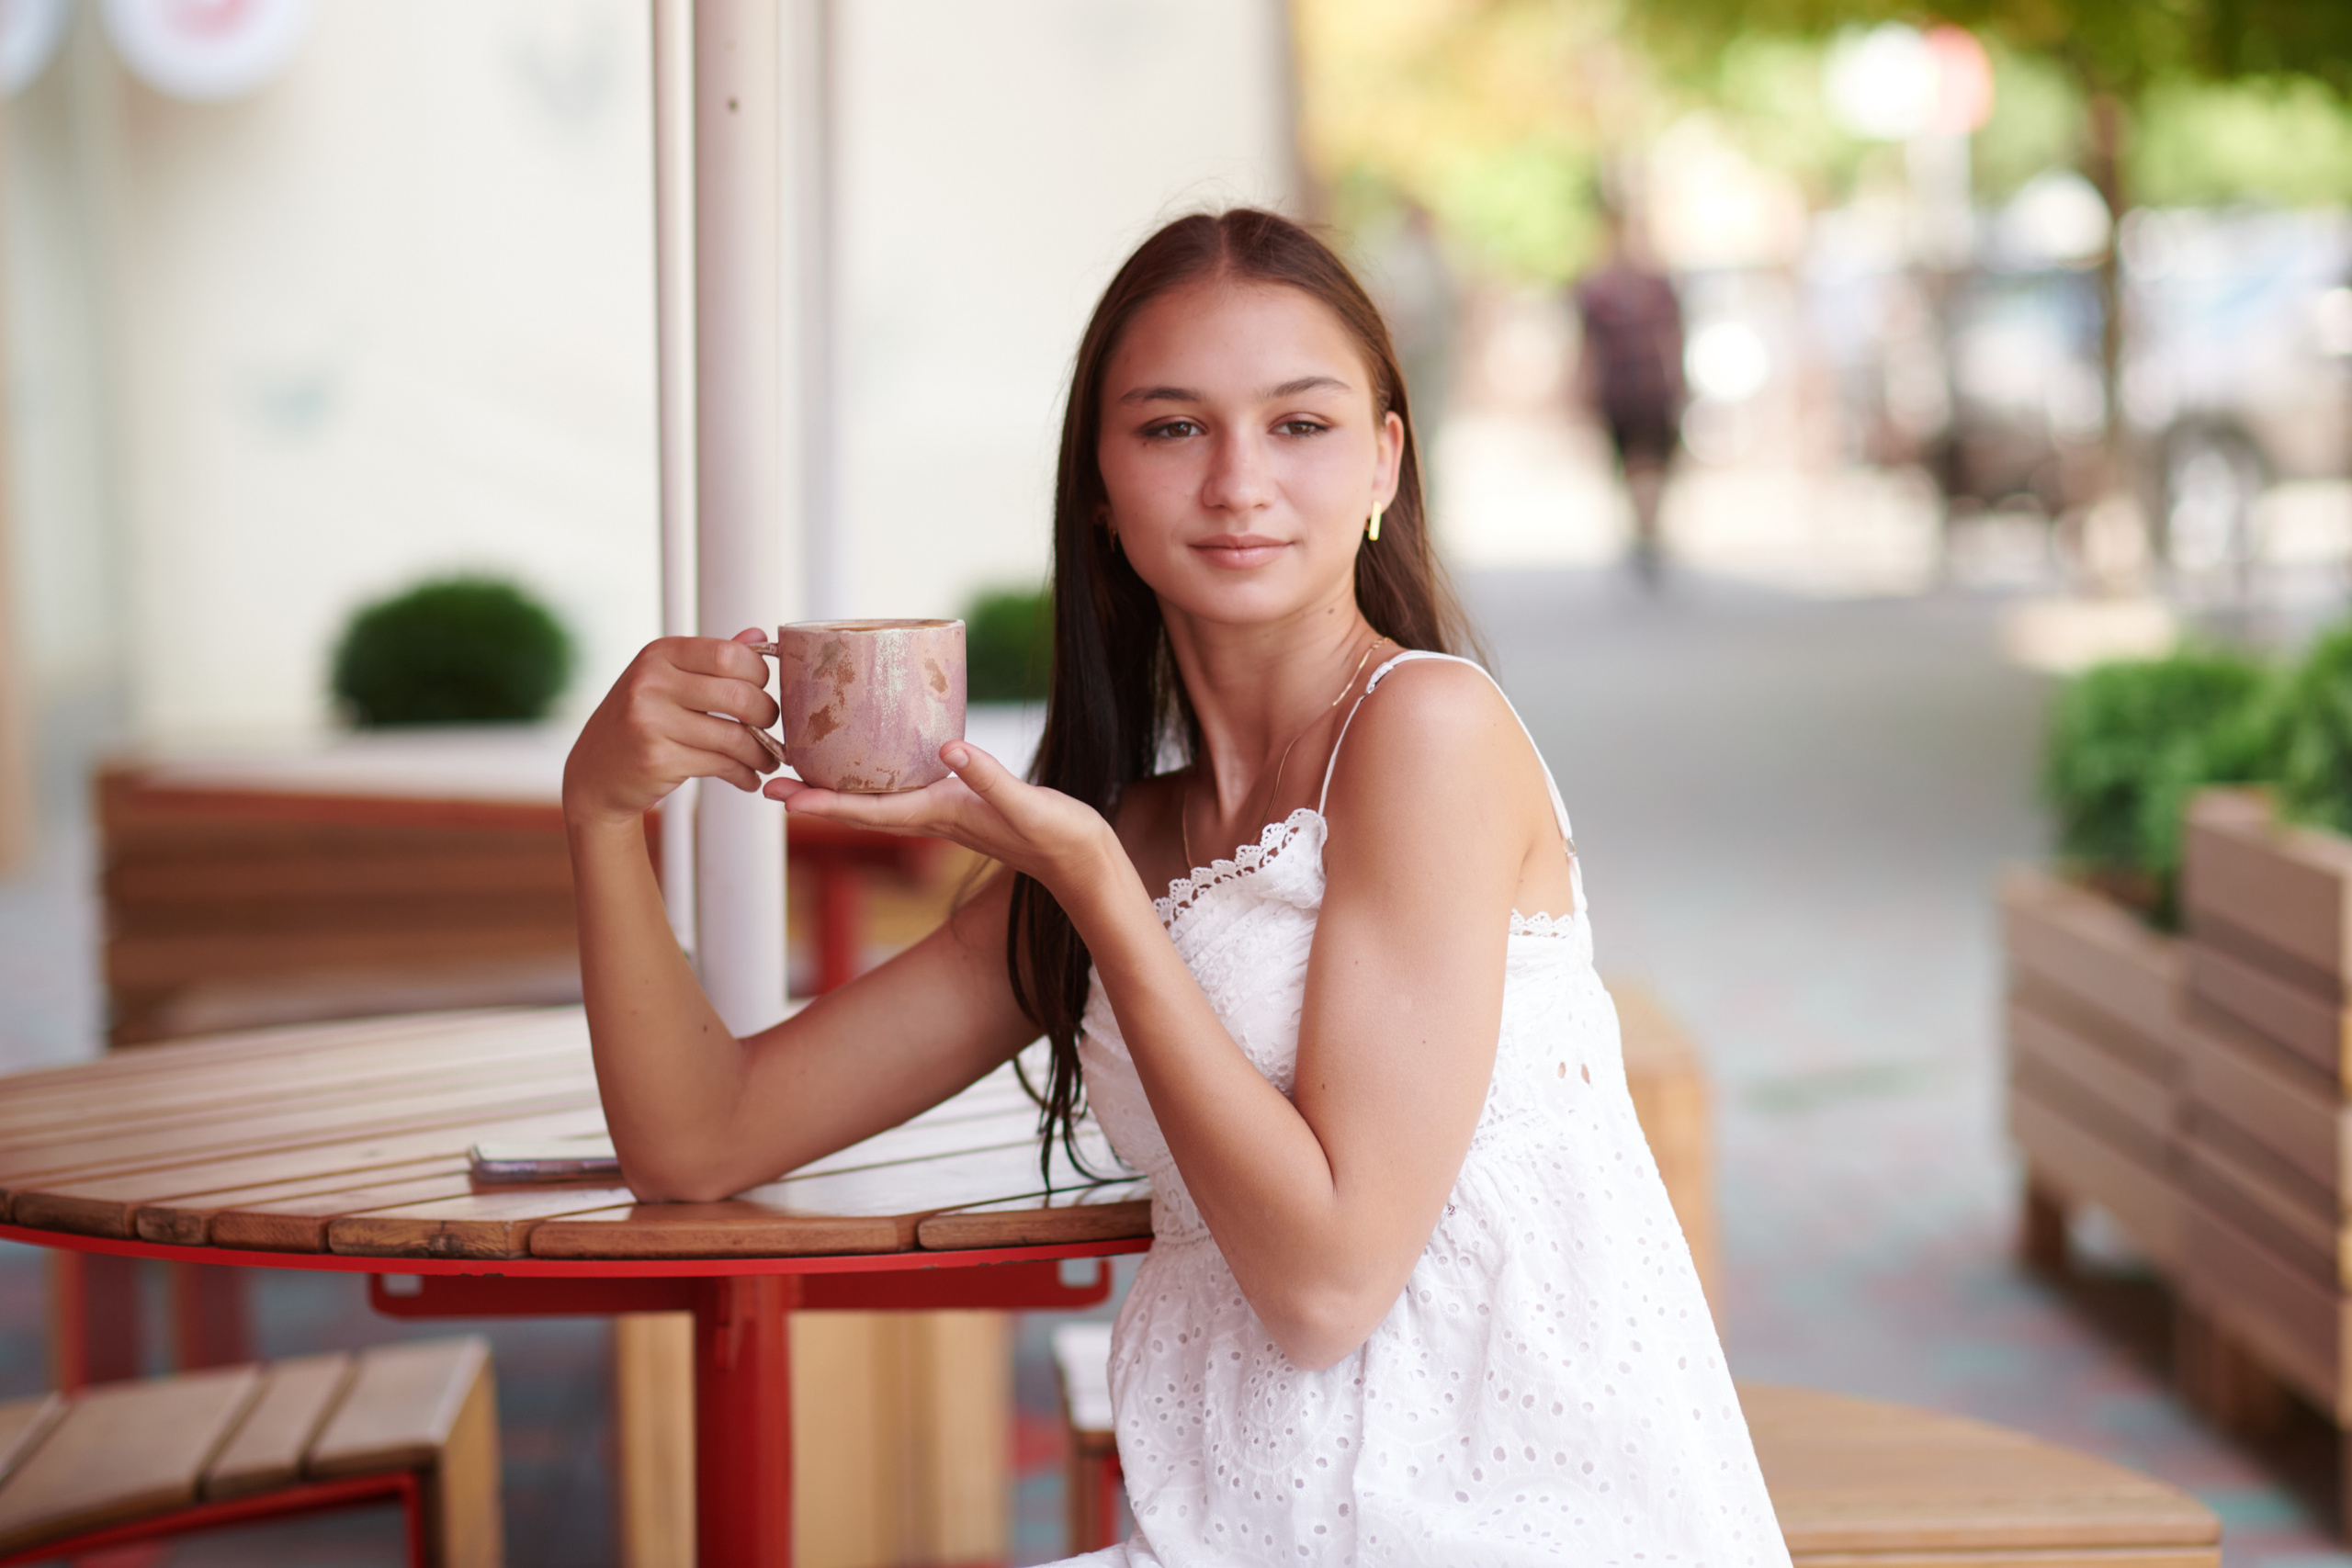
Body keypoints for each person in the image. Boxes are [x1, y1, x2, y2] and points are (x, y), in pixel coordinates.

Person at [563, 209, 1787, 1564]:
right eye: (1172, 427)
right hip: (1248, 1531)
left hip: (1504, 1526)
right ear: (1100, 484)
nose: (1237, 482)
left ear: (1385, 461)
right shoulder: (1122, 834)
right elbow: (700, 1138)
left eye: (1300, 423)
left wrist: (1097, 891)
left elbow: (1327, 1284)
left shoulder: (1424, 733)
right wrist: (603, 815)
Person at [1574, 208, 1686, 587]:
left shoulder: (1655, 287)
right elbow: (1589, 348)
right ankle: (1646, 532)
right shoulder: (1602, 291)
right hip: (1626, 391)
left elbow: (1673, 339)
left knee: (1647, 467)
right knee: (1639, 468)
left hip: (1646, 390)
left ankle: (1646, 532)